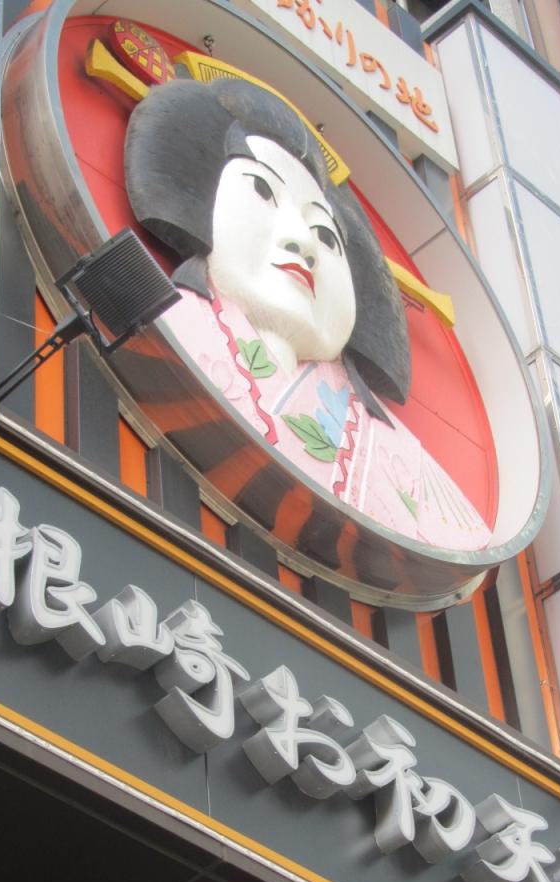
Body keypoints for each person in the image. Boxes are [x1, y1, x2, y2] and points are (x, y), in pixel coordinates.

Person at [125, 76, 490, 550]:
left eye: (326, 235)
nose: (303, 242)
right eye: (262, 190)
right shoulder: (158, 320)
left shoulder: (406, 465)